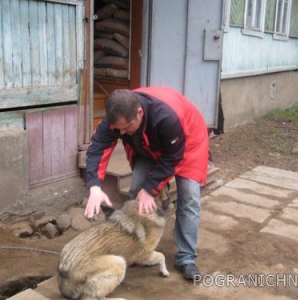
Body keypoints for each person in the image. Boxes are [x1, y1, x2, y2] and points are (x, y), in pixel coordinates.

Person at [84, 86, 209, 280]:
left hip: (187, 143)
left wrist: (151, 189)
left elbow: (173, 157)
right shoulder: (116, 120)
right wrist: (94, 186)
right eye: (119, 130)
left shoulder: (167, 117)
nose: (122, 133)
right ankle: (138, 249)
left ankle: (186, 257)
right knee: (137, 191)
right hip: (147, 145)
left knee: (189, 197)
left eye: (126, 128)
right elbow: (98, 148)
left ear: (139, 113)